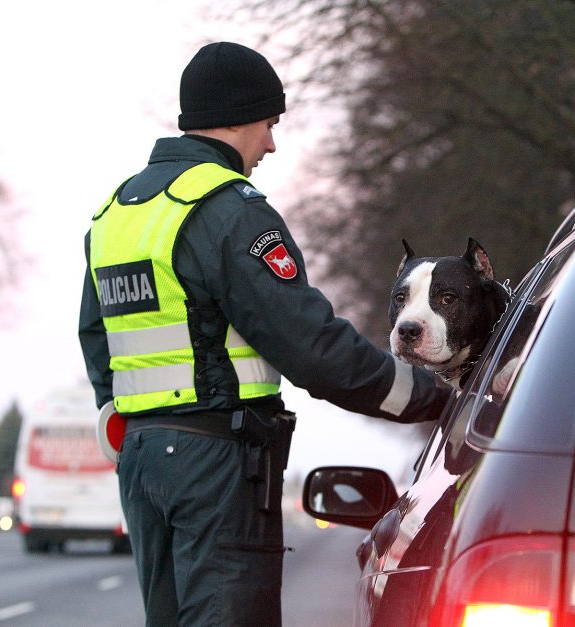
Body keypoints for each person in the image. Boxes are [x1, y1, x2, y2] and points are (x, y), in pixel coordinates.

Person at [78, 41, 450, 627]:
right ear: (237, 116)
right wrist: (438, 399)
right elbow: (314, 348)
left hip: (143, 462)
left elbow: (98, 342)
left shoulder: (115, 214)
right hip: (218, 462)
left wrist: (134, 422)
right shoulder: (229, 212)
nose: (271, 144)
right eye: (269, 124)